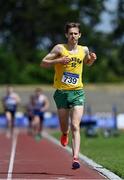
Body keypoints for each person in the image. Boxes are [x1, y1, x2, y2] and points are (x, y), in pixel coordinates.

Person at [41, 22, 97, 169]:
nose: (73, 36)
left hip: (78, 91)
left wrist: (92, 59)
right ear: (67, 35)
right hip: (61, 93)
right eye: (70, 33)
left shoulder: (84, 49)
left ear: (80, 35)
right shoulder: (60, 48)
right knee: (65, 126)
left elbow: (88, 63)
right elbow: (43, 62)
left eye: (75, 33)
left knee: (75, 125)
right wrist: (58, 60)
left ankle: (75, 158)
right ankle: (64, 133)